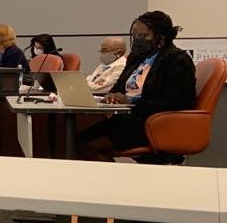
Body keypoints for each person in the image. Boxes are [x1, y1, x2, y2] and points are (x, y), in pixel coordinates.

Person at [78, 11, 196, 161]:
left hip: (150, 123)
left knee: (89, 145)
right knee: (77, 140)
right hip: (127, 119)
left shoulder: (177, 60)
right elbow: (118, 87)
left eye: (143, 36)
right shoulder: (136, 58)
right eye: (134, 35)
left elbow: (177, 102)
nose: (137, 40)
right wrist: (112, 95)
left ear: (161, 38)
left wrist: (132, 102)